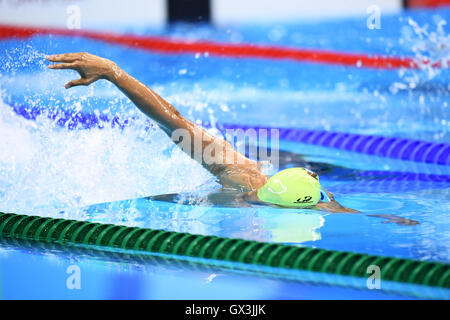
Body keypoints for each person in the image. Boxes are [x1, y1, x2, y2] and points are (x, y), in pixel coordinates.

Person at [47, 52, 418, 226]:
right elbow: (173, 120)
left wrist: (382, 215)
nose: (251, 195)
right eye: (257, 192)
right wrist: (113, 72)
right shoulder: (240, 175)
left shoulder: (309, 201)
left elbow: (335, 206)